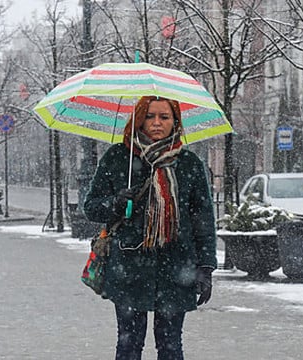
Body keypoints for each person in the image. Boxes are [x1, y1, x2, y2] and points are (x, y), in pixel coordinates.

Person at [83, 96, 217, 360]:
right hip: (129, 266)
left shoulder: (189, 163)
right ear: (139, 119)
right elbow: (91, 207)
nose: (157, 123)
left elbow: (203, 219)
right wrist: (116, 202)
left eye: (164, 117)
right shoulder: (117, 157)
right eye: (150, 116)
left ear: (175, 121)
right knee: (129, 345)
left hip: (177, 267)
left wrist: (206, 267)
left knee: (170, 346)